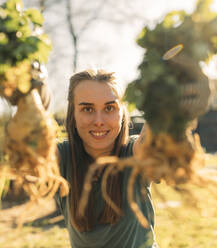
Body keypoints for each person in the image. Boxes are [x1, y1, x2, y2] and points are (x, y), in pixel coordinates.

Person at [54, 69, 157, 248]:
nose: (99, 120)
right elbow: (30, 152)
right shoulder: (62, 157)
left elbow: (157, 130)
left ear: (122, 113)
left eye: (109, 108)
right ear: (73, 114)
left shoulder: (134, 154)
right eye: (88, 109)